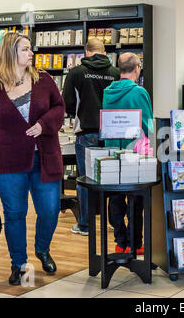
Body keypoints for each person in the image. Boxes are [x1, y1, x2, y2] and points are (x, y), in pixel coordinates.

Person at [0, 32, 65, 285]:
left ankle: (42, 248)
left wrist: (43, 124)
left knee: (50, 210)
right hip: (6, 161)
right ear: (10, 53)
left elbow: (59, 108)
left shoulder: (44, 80)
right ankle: (19, 265)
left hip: (44, 158)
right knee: (15, 213)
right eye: (26, 49)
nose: (31, 53)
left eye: (30, 49)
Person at [63, 38, 120, 236]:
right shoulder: (115, 73)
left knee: (86, 179)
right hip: (112, 131)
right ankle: (115, 221)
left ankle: (85, 225)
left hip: (86, 131)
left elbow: (68, 103)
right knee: (113, 177)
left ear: (86, 52)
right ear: (104, 52)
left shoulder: (76, 72)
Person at [102, 52, 154, 254]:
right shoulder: (139, 93)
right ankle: (135, 242)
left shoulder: (108, 91)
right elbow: (148, 125)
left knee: (115, 198)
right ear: (137, 68)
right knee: (136, 199)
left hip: (112, 152)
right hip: (135, 153)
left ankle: (120, 241)